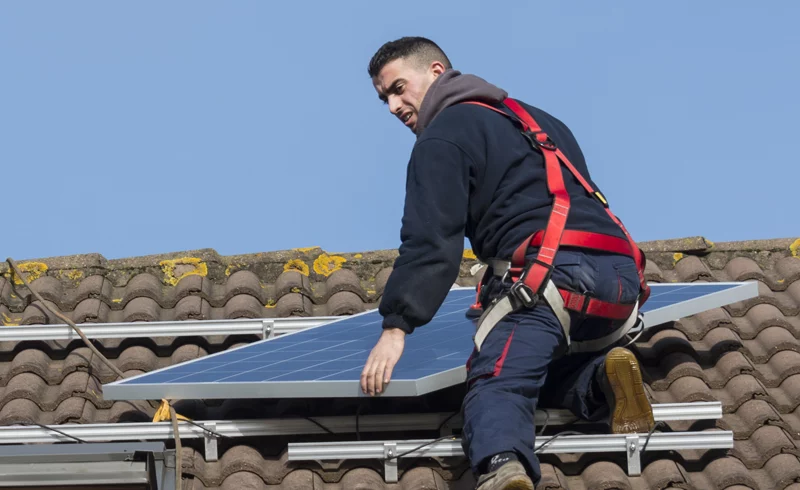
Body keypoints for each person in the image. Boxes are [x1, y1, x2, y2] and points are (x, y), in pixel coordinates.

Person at [360, 36, 655, 490]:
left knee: (497, 382)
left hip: (549, 277)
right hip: (619, 280)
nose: (393, 106)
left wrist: (396, 327)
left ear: (436, 72)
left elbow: (431, 243)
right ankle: (604, 379)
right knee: (543, 372)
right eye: (385, 98)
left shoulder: (442, 137)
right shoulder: (537, 118)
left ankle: (503, 469)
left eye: (399, 88)